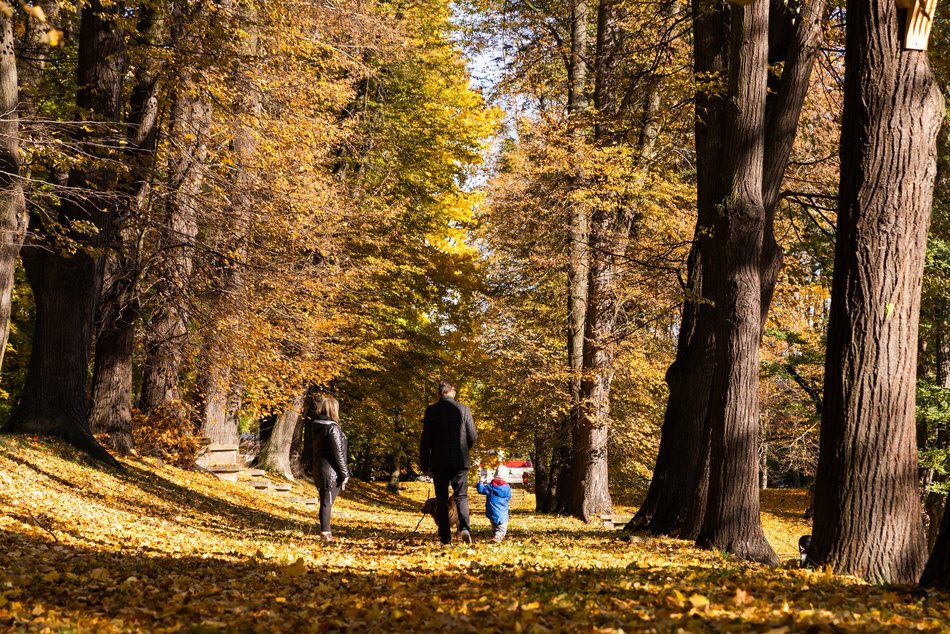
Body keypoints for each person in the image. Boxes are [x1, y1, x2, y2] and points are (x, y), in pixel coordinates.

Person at [419, 379, 477, 545]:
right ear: (453, 392)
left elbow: (426, 440)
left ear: (439, 394)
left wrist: (424, 464)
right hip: (460, 461)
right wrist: (465, 450)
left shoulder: (431, 411)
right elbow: (473, 436)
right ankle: (465, 528)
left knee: (442, 499)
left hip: (439, 462)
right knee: (461, 497)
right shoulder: (464, 409)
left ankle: (445, 538)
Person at [311, 396, 349, 541]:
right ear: (334, 409)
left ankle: (326, 532)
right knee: (327, 501)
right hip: (330, 470)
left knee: (326, 500)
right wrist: (344, 473)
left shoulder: (316, 426)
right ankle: (325, 533)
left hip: (319, 467)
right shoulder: (332, 427)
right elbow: (337, 453)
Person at [477, 465, 512, 543]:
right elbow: (509, 497)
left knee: (495, 526)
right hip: (502, 511)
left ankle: (495, 537)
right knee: (502, 528)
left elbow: (481, 490)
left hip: (492, 511)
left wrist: (481, 482)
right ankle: (497, 537)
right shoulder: (507, 487)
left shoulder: (491, 486)